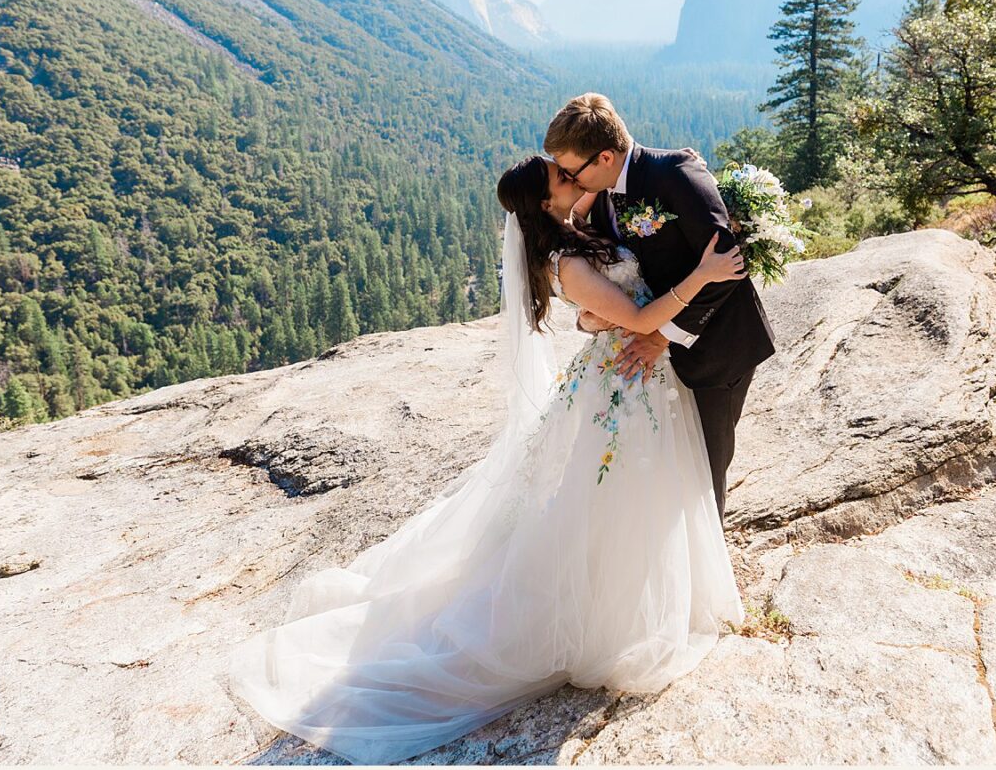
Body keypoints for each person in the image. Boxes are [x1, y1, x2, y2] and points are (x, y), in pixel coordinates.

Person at [226, 155, 747, 764]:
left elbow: (609, 293)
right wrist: (704, 275)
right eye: (560, 175)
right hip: (625, 385)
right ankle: (613, 615)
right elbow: (632, 316)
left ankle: (659, 591)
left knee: (636, 496)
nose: (570, 175)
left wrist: (595, 314)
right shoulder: (568, 260)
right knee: (613, 496)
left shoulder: (582, 221)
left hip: (641, 380)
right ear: (545, 201)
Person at [543, 93, 776, 522]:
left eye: (573, 171)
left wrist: (660, 336)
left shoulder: (676, 174)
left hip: (716, 348)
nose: (570, 180)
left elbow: (729, 267)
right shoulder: (600, 194)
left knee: (707, 464)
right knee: (672, 464)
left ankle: (711, 568)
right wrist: (592, 315)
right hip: (655, 360)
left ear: (605, 157)